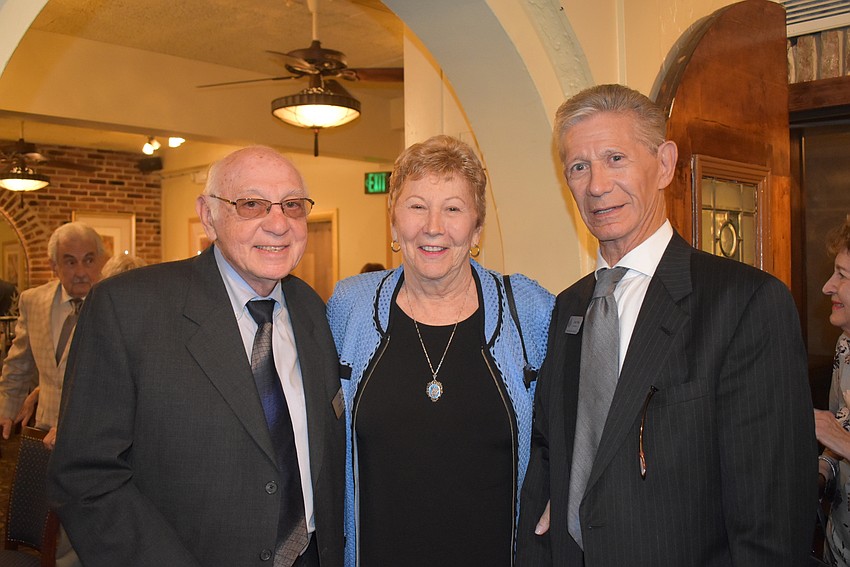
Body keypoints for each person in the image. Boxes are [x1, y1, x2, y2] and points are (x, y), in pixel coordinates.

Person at [516, 84, 817, 566]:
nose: (596, 185)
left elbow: (773, 514)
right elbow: (551, 459)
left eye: (615, 158)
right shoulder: (568, 308)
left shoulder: (744, 304)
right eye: (579, 166)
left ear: (665, 163)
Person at [49, 146, 345, 567]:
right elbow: (86, 477)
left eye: (292, 205)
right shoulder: (129, 309)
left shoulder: (314, 310)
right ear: (208, 216)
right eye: (252, 204)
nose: (278, 223)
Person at [327, 135, 554, 566]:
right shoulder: (349, 307)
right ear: (394, 223)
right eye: (416, 206)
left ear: (478, 228)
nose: (433, 226)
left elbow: (571, 421)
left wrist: (562, 490)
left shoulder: (530, 310)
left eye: (453, 208)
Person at [0, 221, 106, 449]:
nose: (80, 272)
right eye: (70, 262)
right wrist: (6, 410)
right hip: (44, 429)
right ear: (53, 265)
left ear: (101, 260)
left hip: (96, 435)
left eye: (88, 260)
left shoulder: (117, 306)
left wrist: (78, 424)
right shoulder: (33, 301)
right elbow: (19, 363)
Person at [814, 218, 850, 566]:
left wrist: (841, 442)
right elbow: (840, 427)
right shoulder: (845, 348)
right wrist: (822, 469)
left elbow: (841, 436)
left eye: (842, 275)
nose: (827, 286)